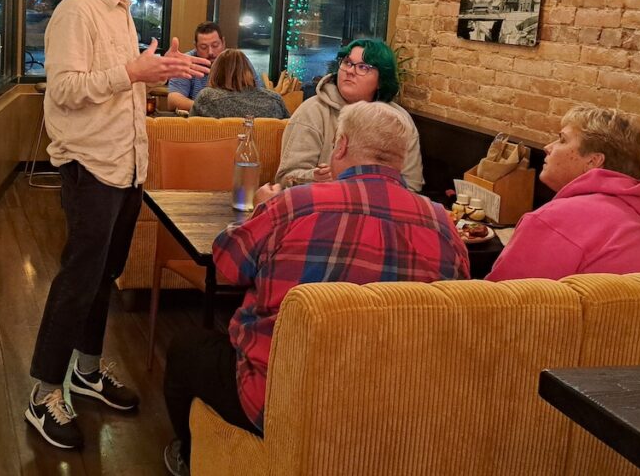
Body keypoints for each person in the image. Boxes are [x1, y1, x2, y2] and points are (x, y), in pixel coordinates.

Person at [161, 101, 469, 475]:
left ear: (339, 147)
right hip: (395, 408)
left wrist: (263, 208)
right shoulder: (443, 226)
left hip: (282, 400)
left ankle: (187, 457)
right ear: (400, 160)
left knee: (186, 349)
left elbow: (228, 265)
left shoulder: (296, 205)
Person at [26, 0, 210, 451]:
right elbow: (62, 90)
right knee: (77, 281)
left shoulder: (124, 16)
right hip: (90, 169)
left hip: (127, 168)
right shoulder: (75, 13)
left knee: (104, 277)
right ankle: (42, 394)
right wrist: (134, 72)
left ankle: (85, 371)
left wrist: (156, 73)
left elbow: (114, 88)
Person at [486, 107, 640, 281]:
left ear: (593, 161)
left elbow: (499, 303)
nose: (547, 147)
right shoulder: (634, 215)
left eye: (562, 140)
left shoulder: (555, 218)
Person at [276, 38, 424, 191]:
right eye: (347, 62)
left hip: (382, 208)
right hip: (326, 207)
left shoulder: (398, 120)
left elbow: (411, 186)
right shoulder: (313, 111)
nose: (350, 71)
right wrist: (314, 177)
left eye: (363, 67)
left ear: (381, 80)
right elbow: (285, 178)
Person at [167, 22, 263, 112]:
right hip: (199, 121)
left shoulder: (238, 60)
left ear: (223, 42)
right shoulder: (187, 62)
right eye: (203, 47)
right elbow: (173, 100)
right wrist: (210, 109)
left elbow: (259, 94)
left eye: (215, 45)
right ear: (195, 46)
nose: (210, 52)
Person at [188, 49, 288, 119]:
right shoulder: (275, 100)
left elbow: (191, 132)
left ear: (216, 72)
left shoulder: (206, 98)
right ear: (249, 71)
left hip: (215, 149)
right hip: (264, 149)